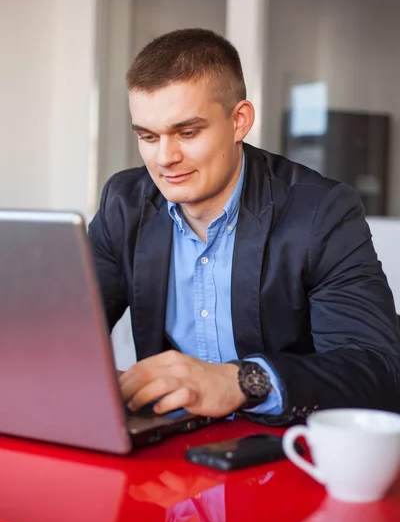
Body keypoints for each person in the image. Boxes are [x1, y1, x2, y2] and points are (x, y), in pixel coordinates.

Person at [89, 28, 400, 426]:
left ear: (239, 121)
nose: (165, 158)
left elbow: (375, 370)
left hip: (282, 448)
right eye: (148, 137)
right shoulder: (124, 204)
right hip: (169, 446)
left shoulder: (321, 213)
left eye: (187, 132)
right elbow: (61, 333)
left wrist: (240, 381)